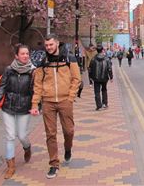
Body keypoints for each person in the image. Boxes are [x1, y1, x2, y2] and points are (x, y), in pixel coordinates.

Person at [30, 34, 81, 179]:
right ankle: (53, 164)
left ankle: (68, 149)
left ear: (57, 44)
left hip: (65, 101)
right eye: (46, 46)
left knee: (69, 131)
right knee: (50, 134)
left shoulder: (69, 58)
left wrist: (70, 97)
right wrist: (35, 103)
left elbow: (76, 79)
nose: (48, 48)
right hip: (48, 102)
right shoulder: (43, 61)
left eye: (51, 45)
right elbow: (38, 84)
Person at [0, 44, 35, 179]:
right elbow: (2, 88)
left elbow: (36, 91)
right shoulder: (9, 70)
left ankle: (27, 148)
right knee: (10, 136)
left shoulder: (33, 71)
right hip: (8, 107)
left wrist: (35, 106)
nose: (25, 56)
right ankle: (11, 166)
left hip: (24, 107)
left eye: (27, 53)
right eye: (22, 54)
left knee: (21, 136)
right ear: (16, 55)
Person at [89, 45, 113, 110]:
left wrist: (90, 79)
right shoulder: (106, 58)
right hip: (104, 77)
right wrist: (111, 77)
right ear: (102, 50)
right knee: (104, 90)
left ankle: (98, 105)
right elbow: (109, 68)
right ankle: (105, 103)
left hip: (96, 78)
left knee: (97, 91)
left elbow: (90, 69)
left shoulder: (93, 59)